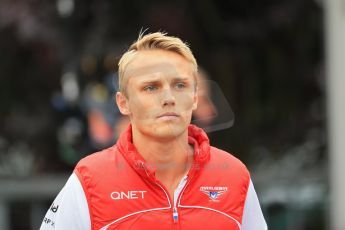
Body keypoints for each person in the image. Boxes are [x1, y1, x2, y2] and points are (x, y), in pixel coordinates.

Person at [40, 32, 267, 230]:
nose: (168, 98)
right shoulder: (88, 180)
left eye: (180, 85)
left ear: (195, 97)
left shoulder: (235, 177)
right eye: (151, 87)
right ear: (123, 103)